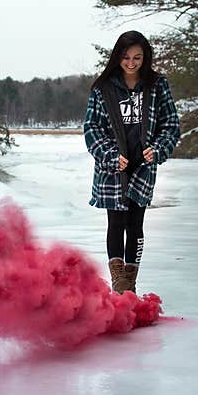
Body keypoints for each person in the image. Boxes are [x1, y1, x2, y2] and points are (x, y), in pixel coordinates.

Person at [83, 30, 181, 294]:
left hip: (143, 167)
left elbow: (171, 125)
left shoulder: (157, 85)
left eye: (137, 57)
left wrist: (158, 149)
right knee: (115, 222)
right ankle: (119, 285)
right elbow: (91, 129)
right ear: (118, 57)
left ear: (145, 58)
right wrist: (111, 156)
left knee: (135, 224)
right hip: (113, 168)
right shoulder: (103, 88)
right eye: (126, 57)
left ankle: (130, 283)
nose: (131, 62)